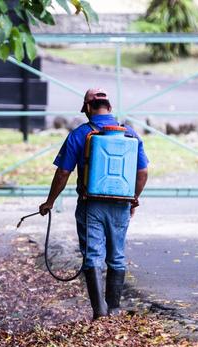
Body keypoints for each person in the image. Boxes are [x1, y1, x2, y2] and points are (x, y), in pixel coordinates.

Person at [39, 88, 149, 320]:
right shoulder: (130, 134)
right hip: (121, 204)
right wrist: (134, 200)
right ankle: (114, 309)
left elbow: (63, 173)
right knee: (117, 255)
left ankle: (100, 312)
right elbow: (142, 172)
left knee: (93, 255)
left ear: (88, 108)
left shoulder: (80, 134)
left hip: (91, 205)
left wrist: (50, 202)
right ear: (109, 108)